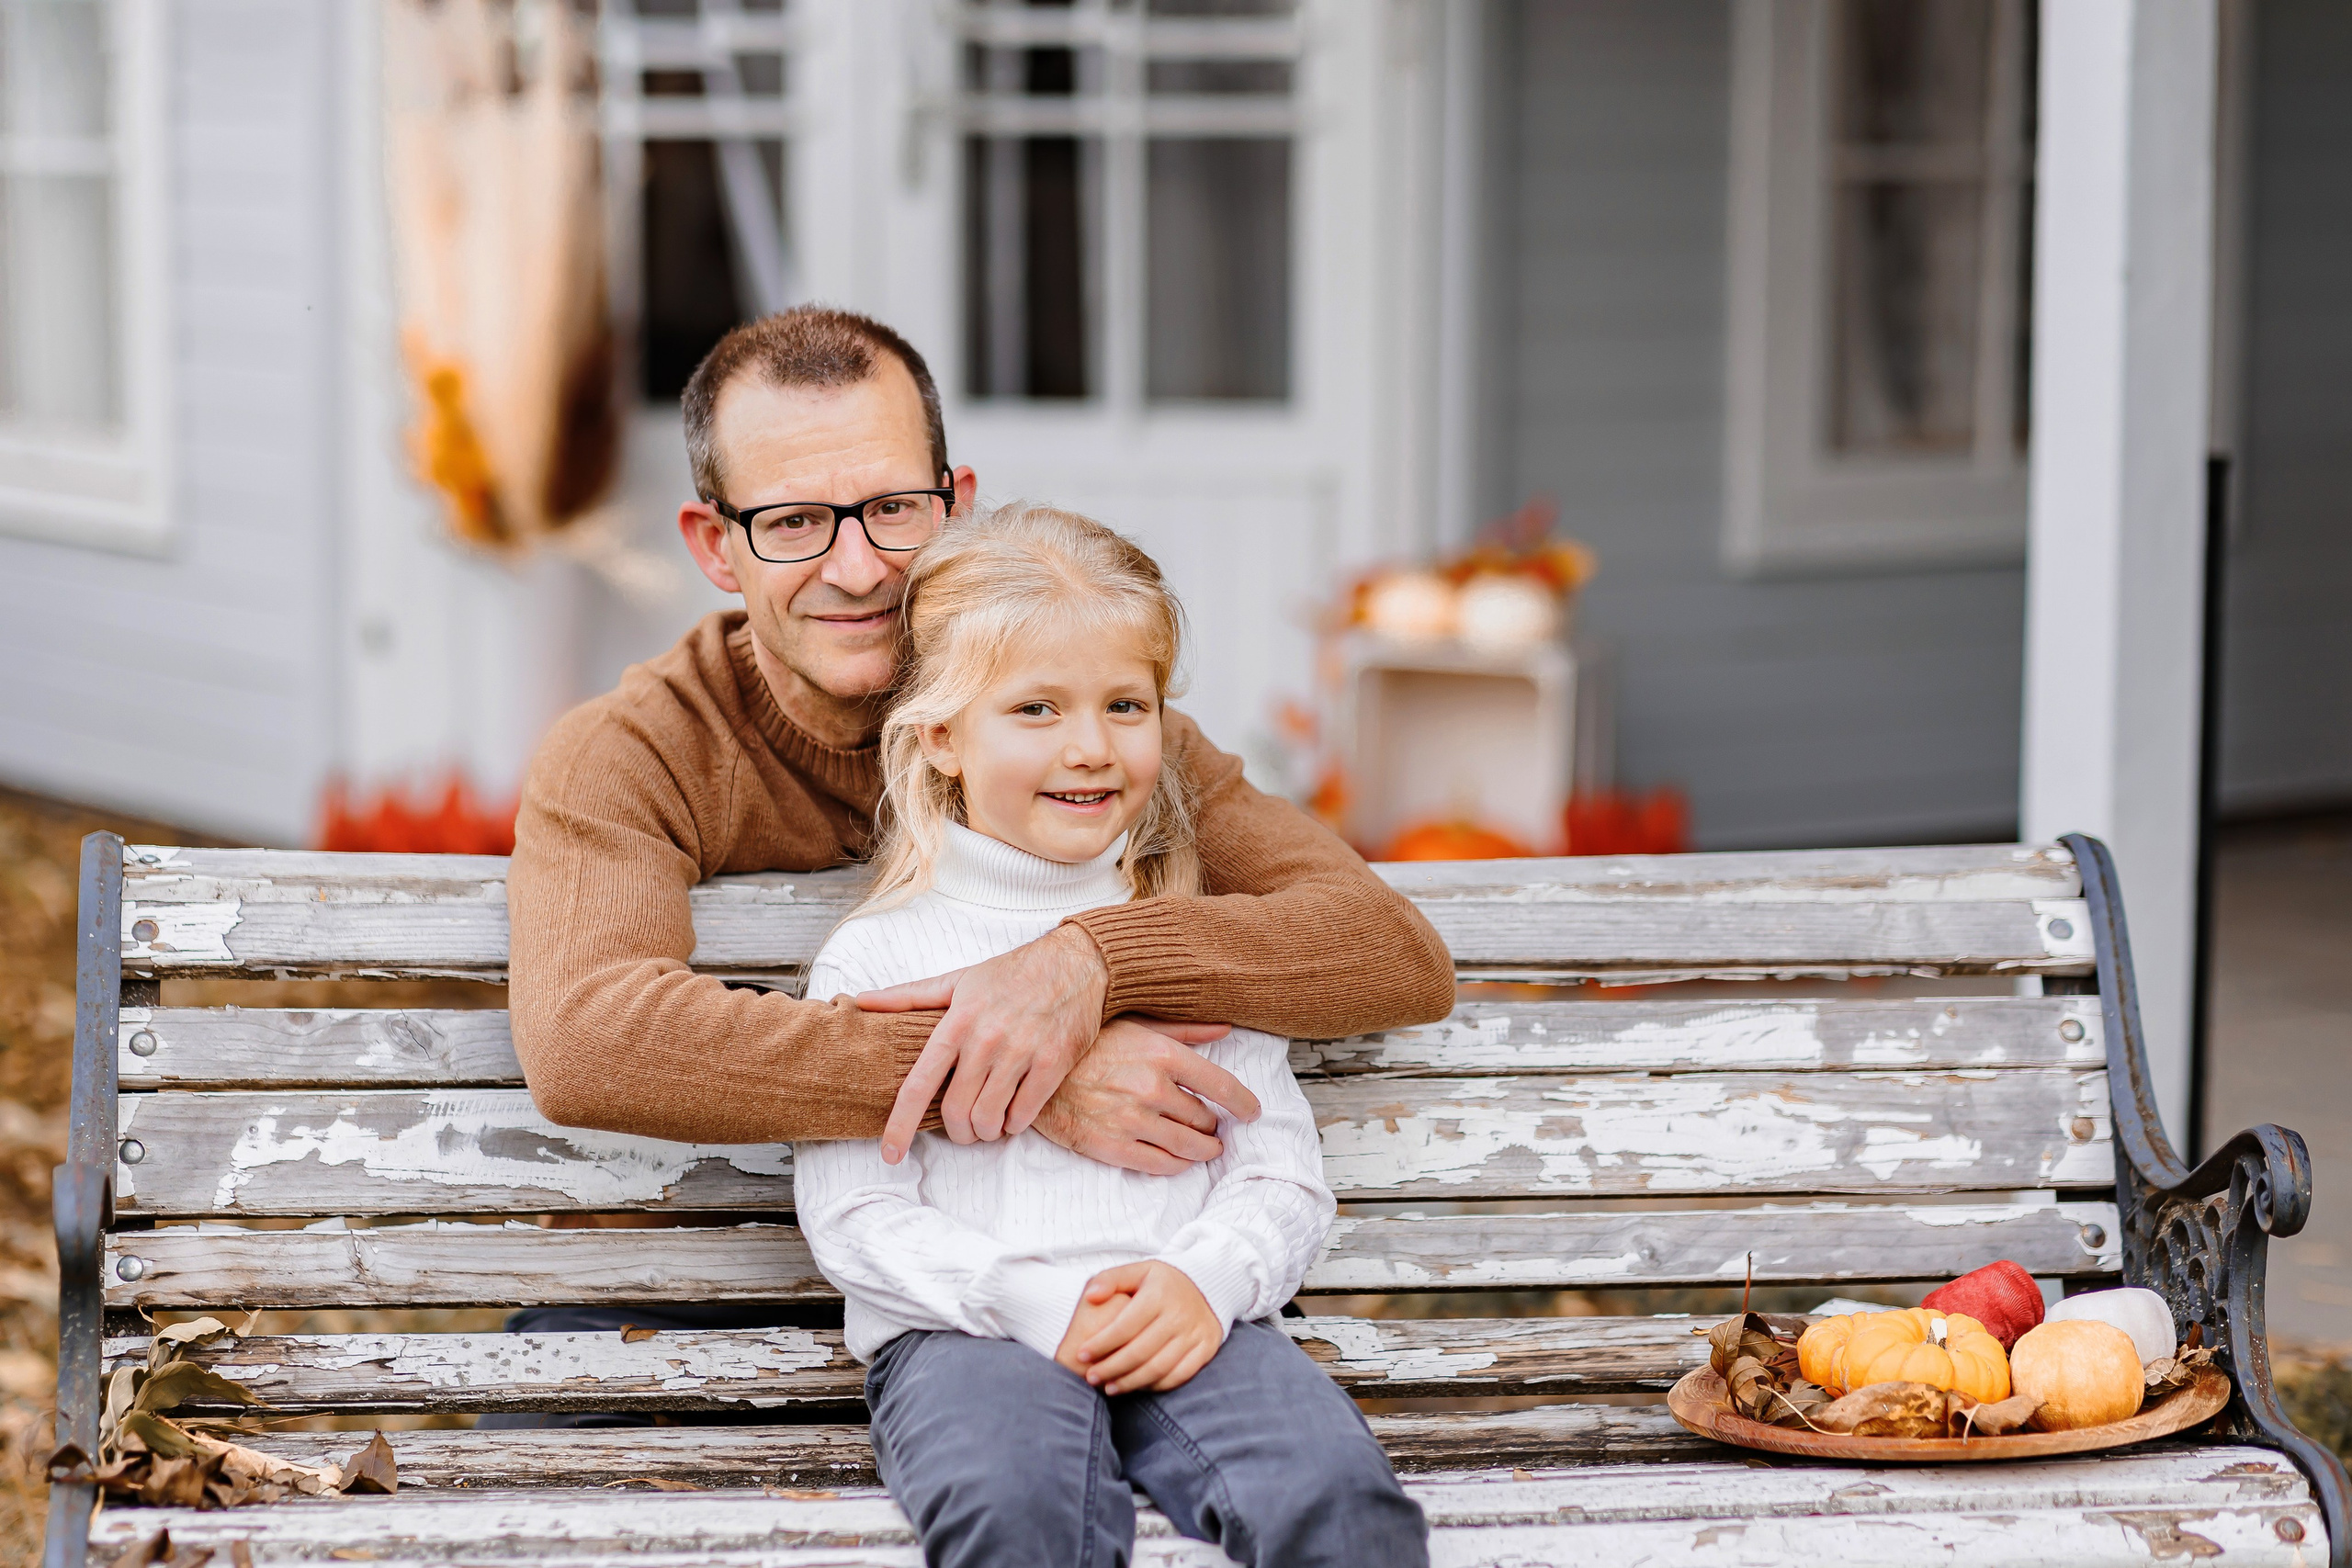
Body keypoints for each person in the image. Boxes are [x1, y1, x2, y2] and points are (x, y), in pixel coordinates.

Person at [500, 306, 1454, 1348]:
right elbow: (588, 1039)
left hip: (1069, 1303)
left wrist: (1085, 963)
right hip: (711, 1301)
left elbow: (1386, 951)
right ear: (715, 545)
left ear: (956, 505)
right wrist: (1015, 1071)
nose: (857, 568)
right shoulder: (635, 751)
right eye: (791, 522)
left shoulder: (1075, 731)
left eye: (892, 508)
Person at [796, 502, 1427, 1568]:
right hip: (970, 1332)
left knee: (1336, 1502)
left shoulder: (1189, 940)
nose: (1090, 746)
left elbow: (1279, 1176)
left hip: (1193, 1312)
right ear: (942, 735)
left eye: (1124, 704)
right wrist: (1030, 1297)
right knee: (1016, 1514)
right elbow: (855, 1212)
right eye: (1035, 707)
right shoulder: (877, 960)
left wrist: (1210, 1280)